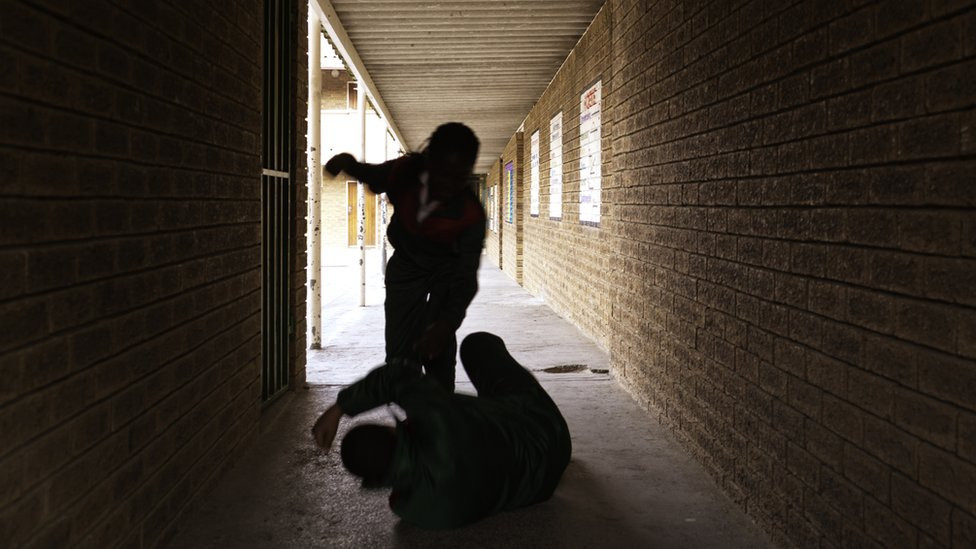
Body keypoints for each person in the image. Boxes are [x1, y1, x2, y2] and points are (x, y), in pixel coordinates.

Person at [311, 332, 572, 529]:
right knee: (477, 344)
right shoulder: (437, 418)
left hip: (539, 490)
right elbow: (396, 378)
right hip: (544, 431)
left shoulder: (412, 509)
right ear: (392, 432)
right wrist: (337, 409)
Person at [325, 123, 486, 391]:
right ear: (429, 161)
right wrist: (346, 163)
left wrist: (445, 325)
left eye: (459, 178)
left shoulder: (470, 214)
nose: (449, 186)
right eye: (443, 174)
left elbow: (466, 278)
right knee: (400, 350)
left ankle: (439, 404)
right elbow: (373, 175)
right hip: (407, 264)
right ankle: (403, 397)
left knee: (438, 346)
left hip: (446, 269)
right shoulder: (404, 171)